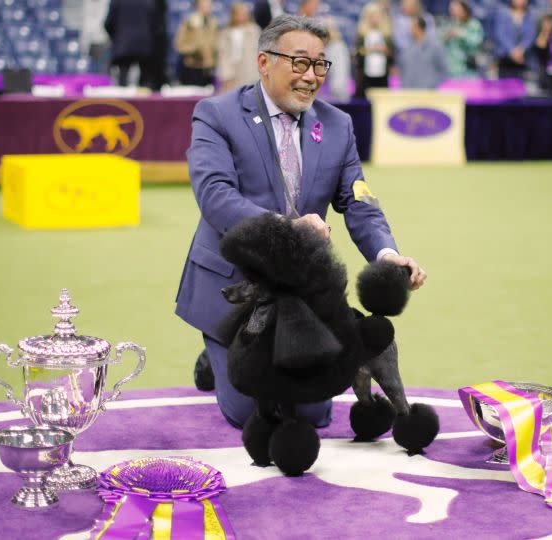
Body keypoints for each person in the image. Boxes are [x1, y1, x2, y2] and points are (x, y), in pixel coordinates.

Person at [176, 14, 427, 429]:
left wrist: (388, 255)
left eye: (320, 65)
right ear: (263, 62)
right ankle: (217, 347)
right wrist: (286, 228)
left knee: (313, 414)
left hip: (304, 291)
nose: (311, 76)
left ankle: (224, 357)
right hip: (237, 291)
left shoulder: (337, 125)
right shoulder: (217, 114)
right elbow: (215, 196)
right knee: (250, 415)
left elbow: (358, 200)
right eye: (299, 62)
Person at [104, 0, 167, 90]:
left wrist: (117, 37)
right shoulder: (152, 1)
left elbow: (108, 24)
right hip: (146, 46)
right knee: (147, 85)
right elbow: (159, 26)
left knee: (122, 84)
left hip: (123, 46)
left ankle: (123, 102)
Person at [217, 2, 262, 91]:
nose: (242, 16)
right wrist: (226, 75)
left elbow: (258, 52)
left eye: (244, 13)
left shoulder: (254, 31)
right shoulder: (226, 32)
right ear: (234, 15)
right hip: (231, 73)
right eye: (239, 13)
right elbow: (223, 55)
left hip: (249, 73)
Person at [354, 2, 395, 98]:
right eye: (373, 16)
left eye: (378, 16)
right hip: (365, 77)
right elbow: (358, 53)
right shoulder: (362, 34)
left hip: (382, 76)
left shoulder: (386, 35)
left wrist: (385, 50)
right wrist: (370, 49)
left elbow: (392, 54)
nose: (375, 19)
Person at [174, 0, 218, 86]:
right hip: (193, 67)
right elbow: (179, 44)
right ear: (198, 6)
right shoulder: (189, 22)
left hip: (209, 67)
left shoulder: (214, 22)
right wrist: (194, 49)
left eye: (209, 4)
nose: (208, 7)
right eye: (205, 4)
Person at [400, 15, 447, 89]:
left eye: (411, 27)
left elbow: (443, 69)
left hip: (428, 92)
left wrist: (433, 84)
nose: (409, 29)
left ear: (418, 28)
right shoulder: (408, 48)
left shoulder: (435, 46)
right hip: (409, 92)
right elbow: (403, 69)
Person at [494, 0, 535, 80]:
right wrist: (512, 50)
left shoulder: (531, 16)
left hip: (523, 57)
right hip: (505, 56)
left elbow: (530, 36)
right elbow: (500, 34)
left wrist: (521, 49)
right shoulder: (503, 14)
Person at [442, 0, 483, 78]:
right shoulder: (449, 24)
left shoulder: (474, 25)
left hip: (468, 70)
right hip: (451, 70)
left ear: (464, 10)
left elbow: (477, 42)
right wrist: (446, 37)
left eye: (455, 9)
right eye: (451, 9)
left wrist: (462, 34)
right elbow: (439, 43)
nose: (453, 12)